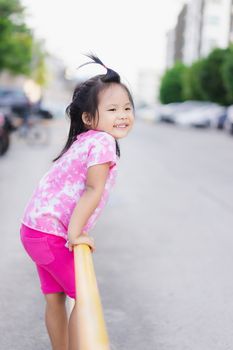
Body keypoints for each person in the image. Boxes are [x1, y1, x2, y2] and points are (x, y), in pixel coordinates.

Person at [19, 53, 135, 350]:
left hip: (34, 230)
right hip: (51, 234)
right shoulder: (103, 141)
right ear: (88, 118)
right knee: (84, 298)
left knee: (55, 298)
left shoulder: (86, 139)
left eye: (126, 107)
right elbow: (92, 189)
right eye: (112, 109)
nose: (122, 115)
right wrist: (75, 233)